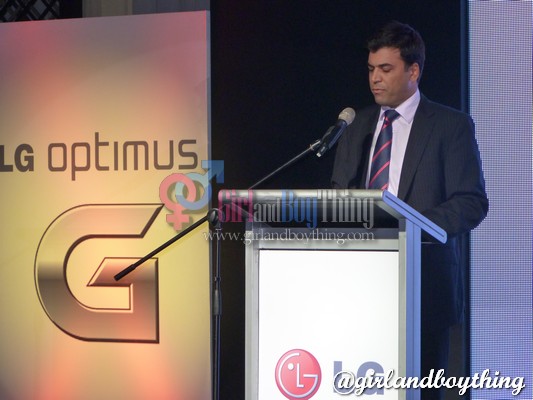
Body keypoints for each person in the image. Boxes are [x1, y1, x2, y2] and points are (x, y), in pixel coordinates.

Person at [331, 21, 488, 400]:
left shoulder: (450, 126)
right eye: (371, 69)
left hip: (424, 288)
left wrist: (410, 226)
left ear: (413, 71)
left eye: (386, 69)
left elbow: (471, 202)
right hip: (361, 287)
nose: (375, 79)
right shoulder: (356, 126)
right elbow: (337, 196)